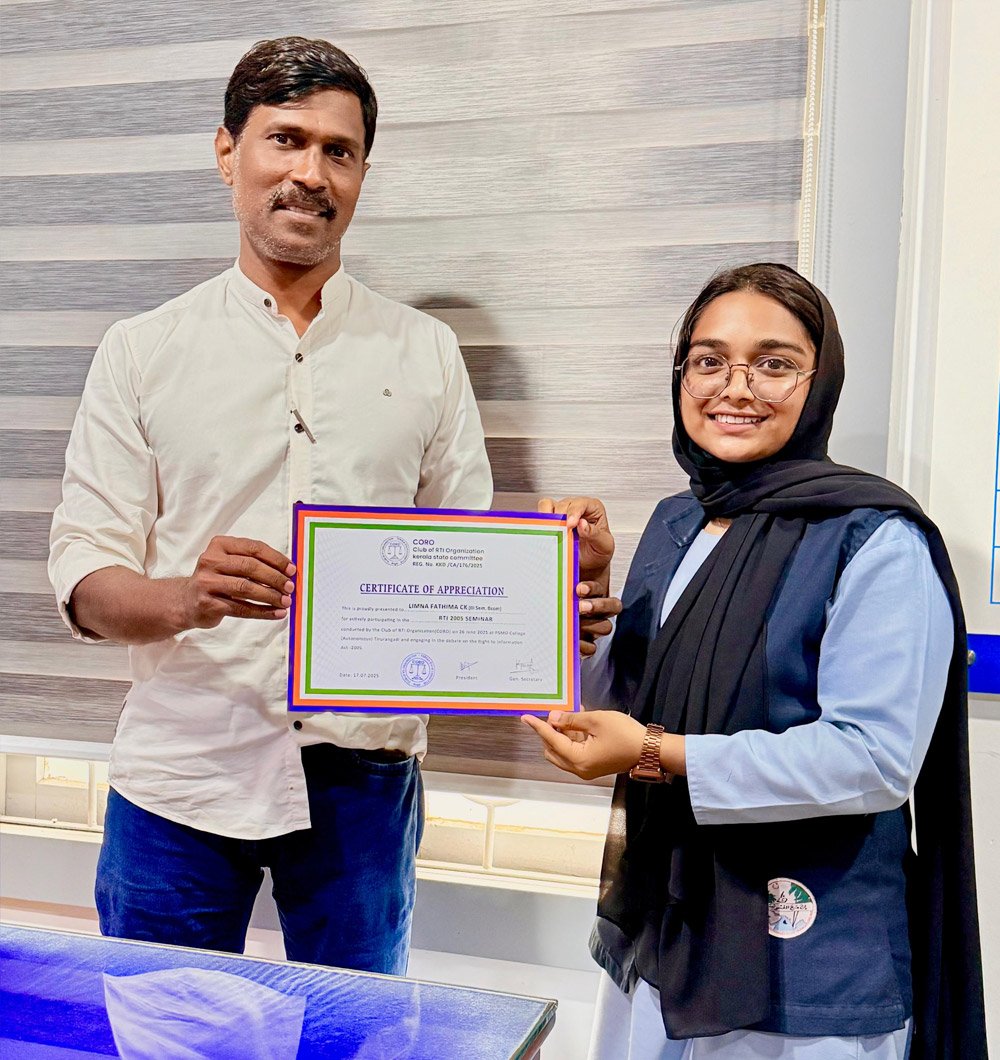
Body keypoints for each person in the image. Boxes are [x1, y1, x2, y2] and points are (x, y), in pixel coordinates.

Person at [48, 36, 492, 974]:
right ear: (228, 152)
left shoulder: (426, 353)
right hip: (180, 772)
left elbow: (470, 567)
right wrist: (186, 598)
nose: (311, 173)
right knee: (166, 1030)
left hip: (364, 780)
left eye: (339, 151)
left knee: (356, 1036)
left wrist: (554, 596)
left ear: (362, 172)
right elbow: (85, 581)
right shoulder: (141, 350)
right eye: (285, 139)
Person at [524, 264, 986, 1059]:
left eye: (773, 363)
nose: (735, 388)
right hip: (666, 924)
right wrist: (585, 588)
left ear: (821, 381)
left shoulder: (875, 539)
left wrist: (653, 752)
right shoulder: (679, 521)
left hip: (805, 959)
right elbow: (627, 702)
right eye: (709, 360)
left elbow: (872, 759)